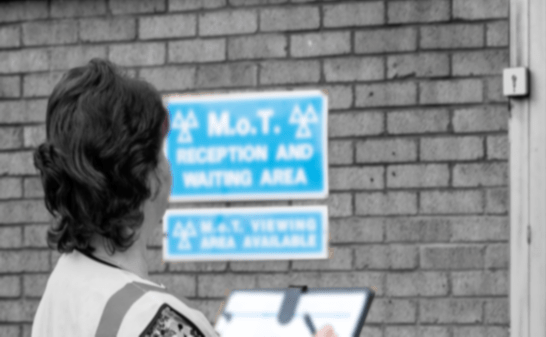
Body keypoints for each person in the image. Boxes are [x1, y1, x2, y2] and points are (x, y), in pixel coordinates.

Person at [31, 59, 337, 337]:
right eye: (161, 151)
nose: (168, 164)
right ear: (144, 177)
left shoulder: (65, 280)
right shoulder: (156, 320)